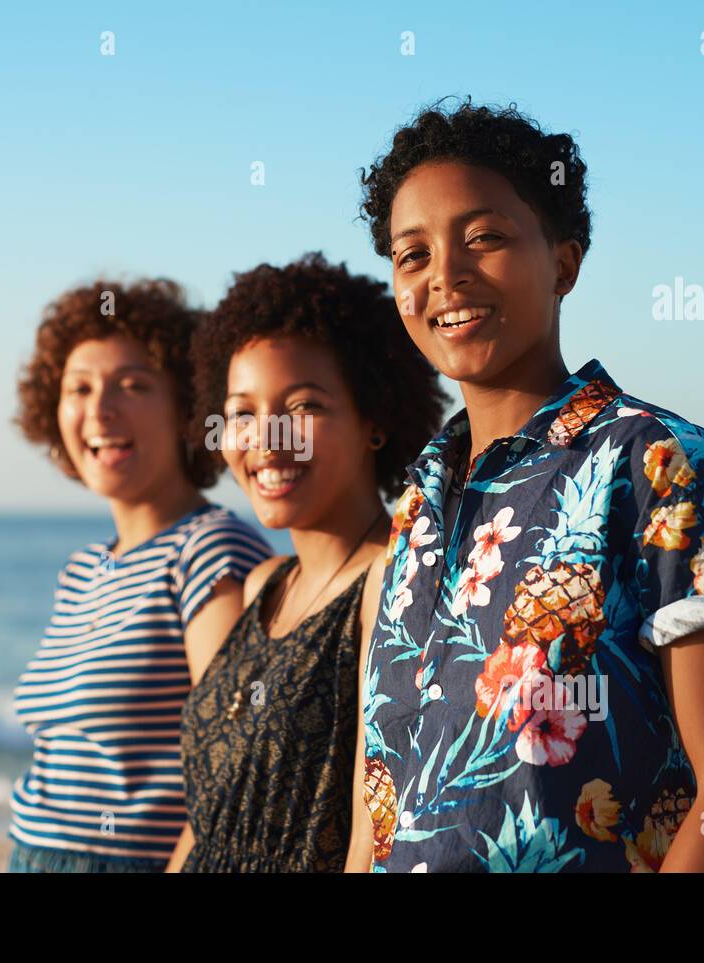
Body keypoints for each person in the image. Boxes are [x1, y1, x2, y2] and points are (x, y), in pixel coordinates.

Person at [352, 100, 704, 872]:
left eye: (483, 237)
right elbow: (382, 802)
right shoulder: (416, 508)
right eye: (410, 254)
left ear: (564, 262)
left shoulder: (659, 465)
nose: (444, 276)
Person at [167, 253, 445, 872]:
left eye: (302, 407)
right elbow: (209, 815)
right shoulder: (264, 583)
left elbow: (372, 837)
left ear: (375, 420)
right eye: (242, 412)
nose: (267, 439)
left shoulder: (389, 580)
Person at [8, 278, 271, 873]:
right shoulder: (81, 570)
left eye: (133, 385)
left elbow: (236, 763)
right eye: (79, 388)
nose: (99, 410)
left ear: (185, 409)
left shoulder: (210, 550)